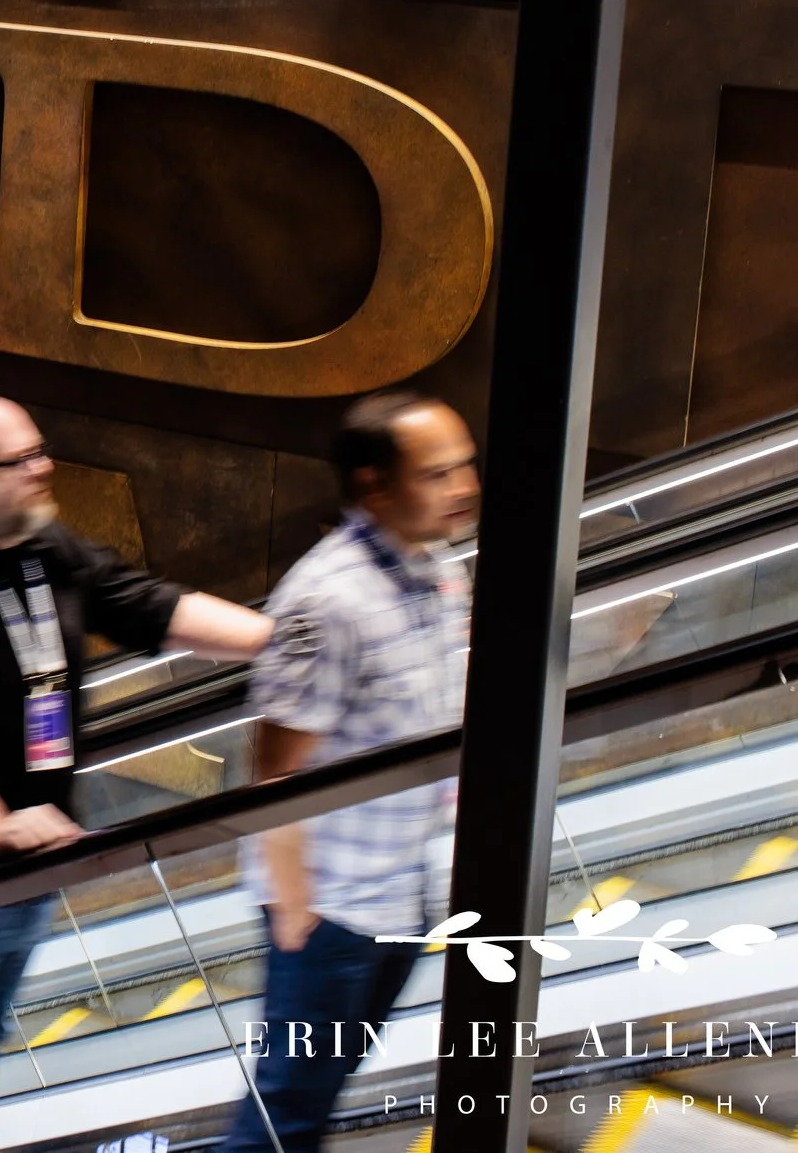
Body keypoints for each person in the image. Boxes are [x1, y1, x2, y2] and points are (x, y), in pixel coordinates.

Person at [0, 396, 273, 1153]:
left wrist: (276, 642)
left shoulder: (45, 550)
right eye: (20, 461)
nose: (44, 469)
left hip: (30, 865)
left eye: (39, 450)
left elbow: (149, 606)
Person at [221, 390, 479, 1153]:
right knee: (288, 1109)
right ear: (375, 484)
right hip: (331, 908)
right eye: (439, 475)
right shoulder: (328, 601)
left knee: (319, 1093)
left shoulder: (437, 569)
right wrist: (296, 912)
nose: (464, 487)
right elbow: (275, 770)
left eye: (466, 467)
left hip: (400, 887)